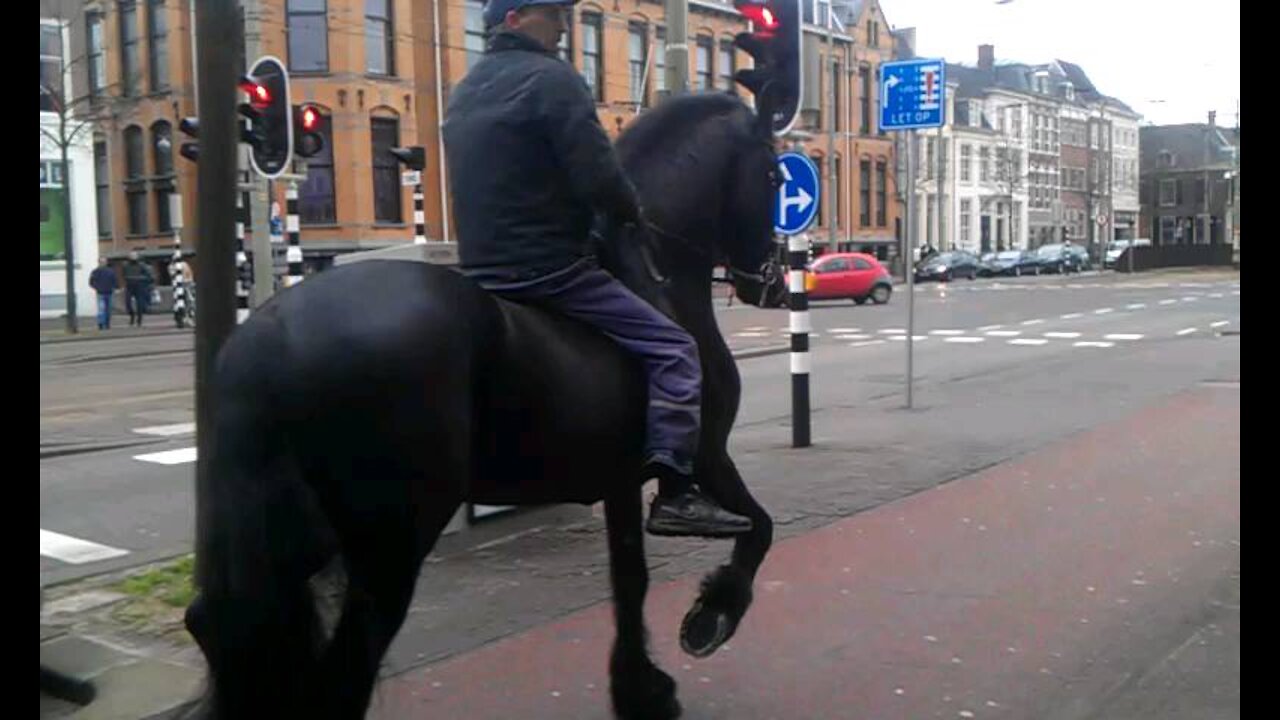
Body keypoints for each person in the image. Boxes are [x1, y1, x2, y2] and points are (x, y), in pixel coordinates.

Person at [442, 0, 751, 537]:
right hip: (547, 267)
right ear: (515, 20)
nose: (563, 25)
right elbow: (597, 178)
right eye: (552, 14)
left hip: (481, 269)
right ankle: (676, 490)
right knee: (675, 349)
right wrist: (629, 209)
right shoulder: (552, 80)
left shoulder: (465, 90)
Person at [122, 251, 154, 326]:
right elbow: (123, 275)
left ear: (137, 257)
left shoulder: (142, 265)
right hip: (129, 286)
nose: (133, 257)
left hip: (139, 286)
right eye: (131, 255)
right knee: (128, 303)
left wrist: (141, 279)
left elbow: (149, 276)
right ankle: (132, 315)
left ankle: (139, 319)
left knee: (140, 304)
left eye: (134, 255)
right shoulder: (125, 265)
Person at [88, 257, 118, 330]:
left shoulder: (110, 271)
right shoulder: (95, 271)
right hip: (100, 293)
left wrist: (114, 288)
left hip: (109, 292)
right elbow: (91, 282)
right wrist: (97, 288)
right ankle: (101, 324)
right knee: (101, 309)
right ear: (99, 263)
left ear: (106, 262)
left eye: (104, 262)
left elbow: (114, 281)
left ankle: (107, 324)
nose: (103, 263)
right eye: (101, 262)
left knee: (108, 309)